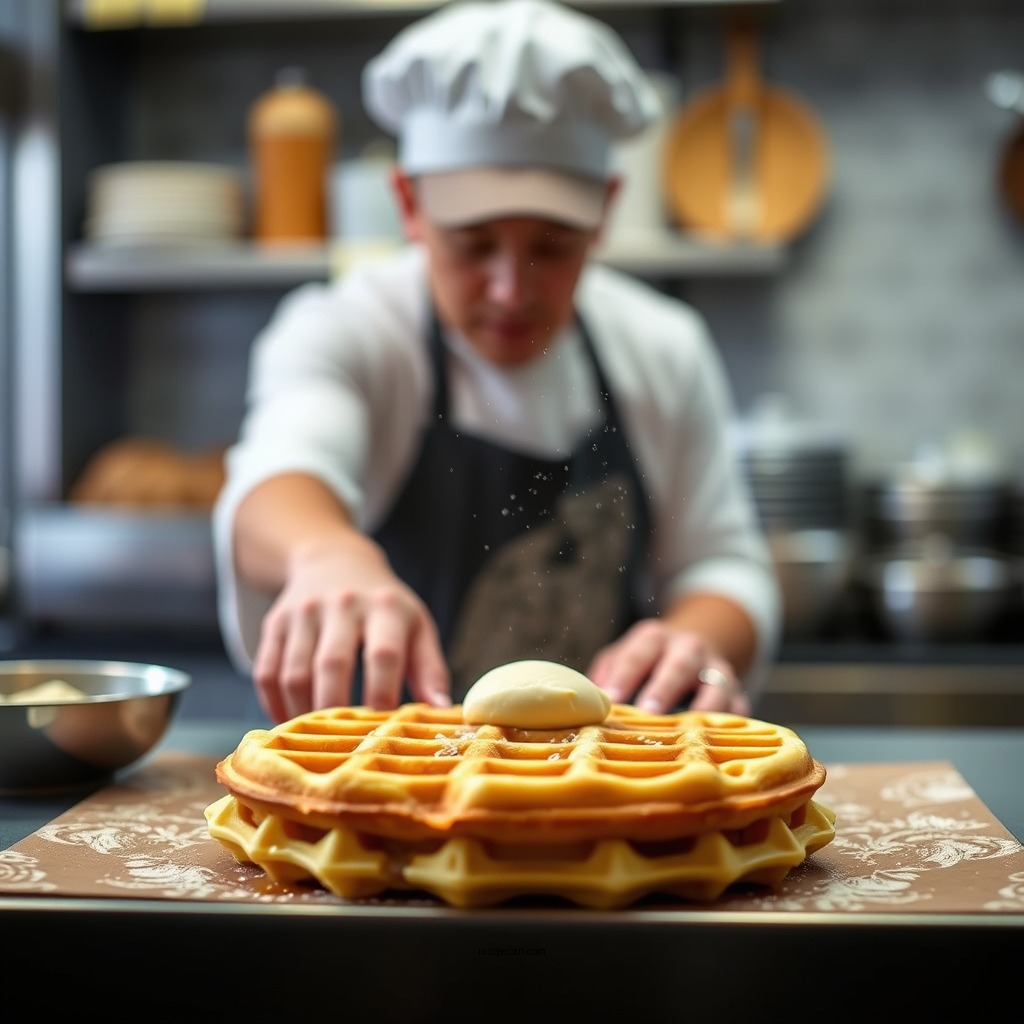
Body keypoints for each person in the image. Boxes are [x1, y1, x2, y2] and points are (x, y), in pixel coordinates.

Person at [212, 0, 781, 725]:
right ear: (409, 204)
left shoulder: (662, 347)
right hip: (387, 770)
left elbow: (722, 563)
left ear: (605, 212)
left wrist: (697, 640)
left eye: (552, 247)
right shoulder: (347, 329)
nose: (511, 290)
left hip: (601, 776)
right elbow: (279, 478)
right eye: (473, 244)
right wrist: (324, 553)